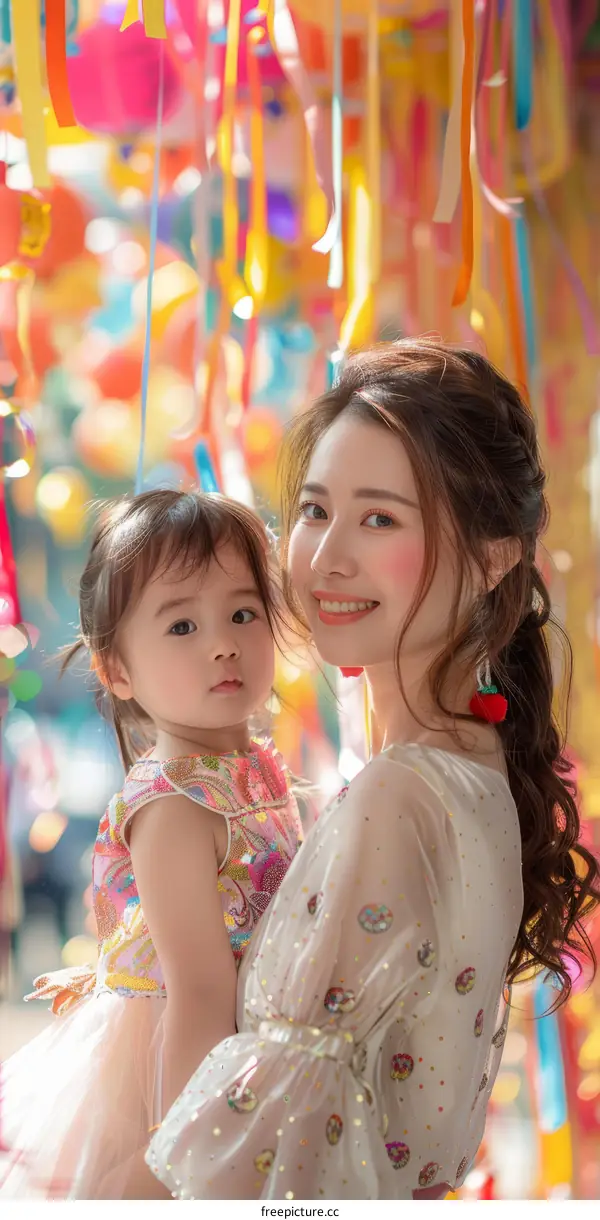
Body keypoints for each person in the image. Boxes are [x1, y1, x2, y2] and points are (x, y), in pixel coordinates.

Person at [147, 341, 600, 1200]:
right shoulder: (473, 769)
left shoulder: (400, 795)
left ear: (495, 556)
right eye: (315, 510)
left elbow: (272, 1179)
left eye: (381, 519)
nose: (327, 556)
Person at [0, 490, 303, 1200]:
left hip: (251, 1052)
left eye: (243, 613)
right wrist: (187, 1156)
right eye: (182, 625)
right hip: (187, 1078)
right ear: (117, 670)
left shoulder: (253, 764)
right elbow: (200, 992)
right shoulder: (174, 806)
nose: (222, 643)